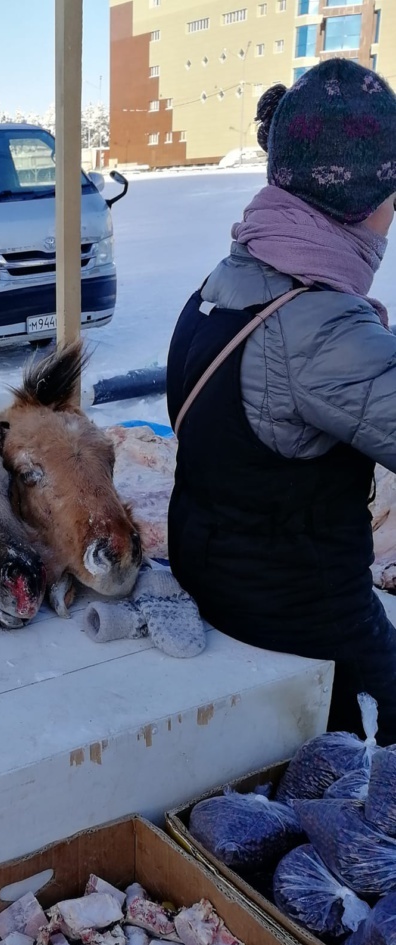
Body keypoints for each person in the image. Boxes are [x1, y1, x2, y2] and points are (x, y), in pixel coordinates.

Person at [165, 57, 396, 744]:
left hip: (220, 583)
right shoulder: (319, 326)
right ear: (357, 198)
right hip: (308, 623)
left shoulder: (233, 276)